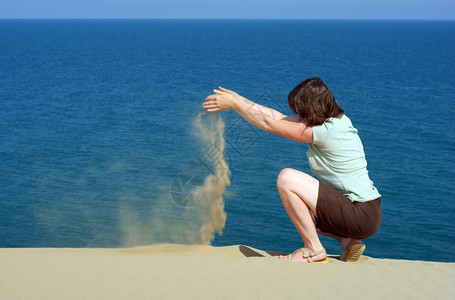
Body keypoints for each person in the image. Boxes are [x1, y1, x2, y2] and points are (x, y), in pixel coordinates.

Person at [202, 77, 382, 263]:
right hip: (368, 212)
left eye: (302, 113)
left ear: (315, 109)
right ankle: (348, 241)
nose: (299, 118)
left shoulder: (322, 131)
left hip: (358, 214)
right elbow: (277, 117)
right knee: (305, 210)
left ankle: (313, 249)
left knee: (287, 179)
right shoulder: (336, 121)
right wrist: (239, 99)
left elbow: (268, 125)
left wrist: (235, 105)